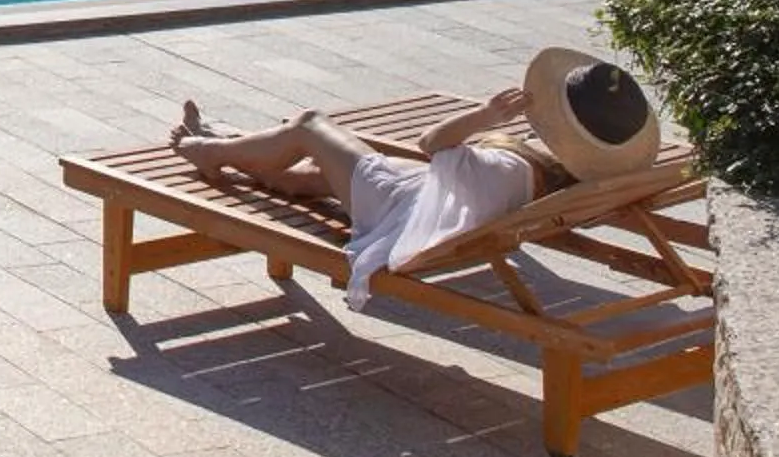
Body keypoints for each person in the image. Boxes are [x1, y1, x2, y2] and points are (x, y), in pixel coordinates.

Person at [169, 47, 661, 308]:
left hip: (404, 208)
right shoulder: (563, 178)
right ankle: (231, 141)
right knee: (309, 177)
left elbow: (432, 144)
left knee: (309, 125)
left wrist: (486, 117)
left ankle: (212, 150)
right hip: (441, 201)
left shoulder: (509, 167)